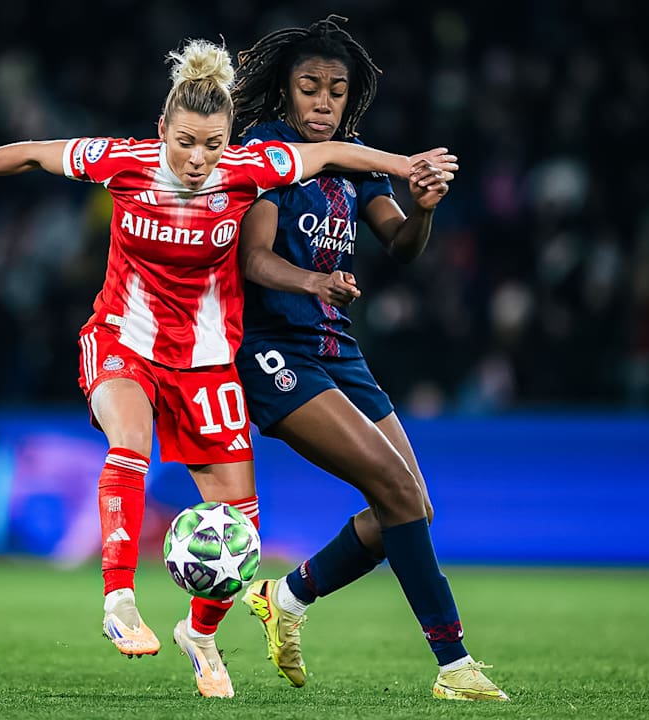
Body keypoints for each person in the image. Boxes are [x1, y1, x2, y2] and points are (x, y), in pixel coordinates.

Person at [0, 37, 452, 699]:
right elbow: (28, 153)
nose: (199, 159)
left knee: (241, 526)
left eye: (214, 144)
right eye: (187, 142)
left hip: (204, 364)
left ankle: (200, 634)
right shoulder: (122, 161)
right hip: (123, 342)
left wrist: (408, 166)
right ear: (161, 131)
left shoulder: (252, 167)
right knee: (130, 444)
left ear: (233, 140)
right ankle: (119, 602)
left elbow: (338, 152)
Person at [230, 17, 508, 701]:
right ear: (285, 94)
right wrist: (314, 282)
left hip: (337, 348)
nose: (322, 103)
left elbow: (402, 244)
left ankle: (287, 597)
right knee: (394, 489)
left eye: (335, 91)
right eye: (309, 89)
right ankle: (454, 665)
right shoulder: (266, 152)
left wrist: (423, 209)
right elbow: (254, 259)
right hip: (273, 348)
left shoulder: (352, 159)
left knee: (410, 504)